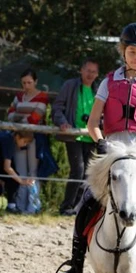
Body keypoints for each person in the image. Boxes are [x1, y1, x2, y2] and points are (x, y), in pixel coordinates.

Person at [52, 22, 136, 273]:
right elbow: (93, 122)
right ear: (124, 52)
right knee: (86, 200)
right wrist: (101, 143)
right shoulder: (109, 82)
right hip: (114, 151)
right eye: (133, 52)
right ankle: (75, 266)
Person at [52, 58, 99, 216]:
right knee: (77, 170)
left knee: (87, 174)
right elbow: (57, 107)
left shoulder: (97, 90)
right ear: (81, 70)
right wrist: (63, 123)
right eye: (88, 70)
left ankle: (78, 208)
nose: (90, 74)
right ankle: (66, 207)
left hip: (91, 136)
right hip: (73, 136)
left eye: (93, 72)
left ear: (97, 74)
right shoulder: (70, 85)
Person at [7, 68, 50, 213]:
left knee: (32, 171)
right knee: (20, 171)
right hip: (19, 137)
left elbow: (36, 117)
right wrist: (23, 117)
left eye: (29, 82)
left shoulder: (42, 96)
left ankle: (32, 206)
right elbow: (9, 114)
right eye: (24, 83)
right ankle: (20, 206)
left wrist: (19, 116)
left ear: (35, 82)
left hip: (35, 138)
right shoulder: (19, 96)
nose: (26, 86)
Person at [0, 131, 35, 212]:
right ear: (18, 137)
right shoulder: (9, 142)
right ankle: (11, 207)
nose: (25, 144)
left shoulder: (6, 136)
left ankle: (11, 205)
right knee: (14, 179)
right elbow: (7, 167)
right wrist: (21, 181)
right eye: (24, 141)